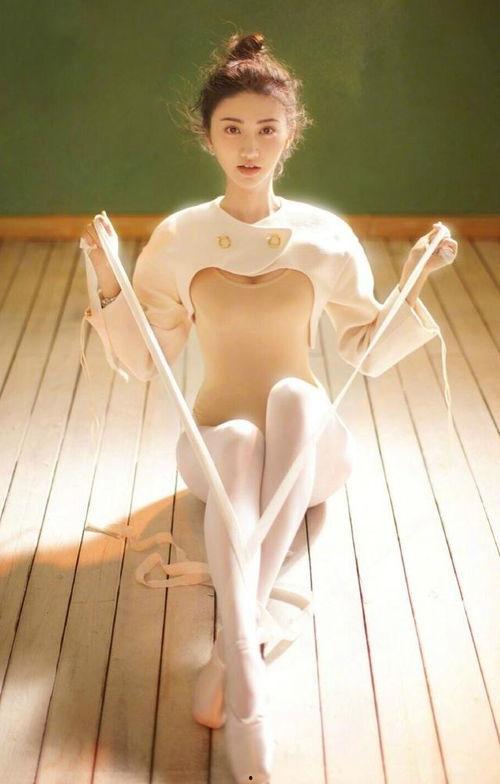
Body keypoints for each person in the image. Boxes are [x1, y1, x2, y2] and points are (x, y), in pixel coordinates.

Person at [79, 31, 457, 784]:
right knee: (237, 442)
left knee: (292, 396)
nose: (249, 147)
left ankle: (234, 652)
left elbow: (365, 349)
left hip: (312, 448)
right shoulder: (181, 238)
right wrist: (107, 271)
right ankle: (244, 655)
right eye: (232, 129)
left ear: (290, 134)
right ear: (208, 136)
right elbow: (144, 358)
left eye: (266, 129)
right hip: (216, 448)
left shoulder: (324, 237)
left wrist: (418, 277)